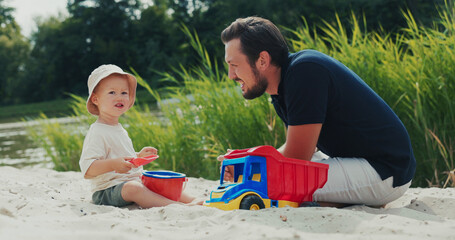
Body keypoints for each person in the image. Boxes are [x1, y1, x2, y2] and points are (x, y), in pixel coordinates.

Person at [218, 17, 416, 207]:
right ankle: (335, 202)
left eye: (234, 65)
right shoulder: (284, 86)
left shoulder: (305, 72)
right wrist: (246, 162)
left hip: (385, 170)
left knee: (279, 182)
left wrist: (247, 169)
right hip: (362, 165)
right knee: (273, 178)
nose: (231, 75)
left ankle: (337, 201)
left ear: (262, 60)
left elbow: (297, 156)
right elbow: (300, 148)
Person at [79, 64, 200, 208]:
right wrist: (114, 164)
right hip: (107, 190)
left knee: (157, 178)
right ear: (95, 99)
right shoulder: (97, 131)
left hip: (131, 181)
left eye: (124, 93)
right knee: (133, 188)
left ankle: (194, 200)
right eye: (112, 92)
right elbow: (88, 169)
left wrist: (138, 157)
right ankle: (175, 206)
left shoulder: (119, 129)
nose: (119, 97)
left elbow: (122, 156)